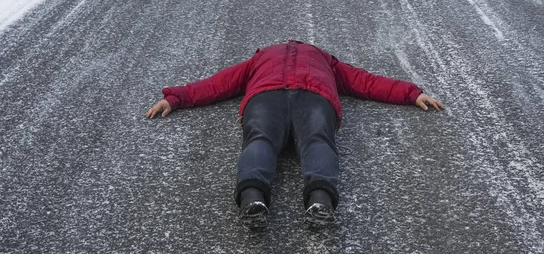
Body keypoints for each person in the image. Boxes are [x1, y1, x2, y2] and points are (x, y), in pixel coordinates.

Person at [146, 39, 444, 229]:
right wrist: (176, 98)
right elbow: (219, 83)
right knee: (268, 138)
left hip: (307, 97)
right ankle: (254, 197)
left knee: (308, 139)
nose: (293, 43)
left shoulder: (325, 60)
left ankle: (319, 200)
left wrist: (410, 94)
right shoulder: (260, 60)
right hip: (275, 97)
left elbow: (365, 81)